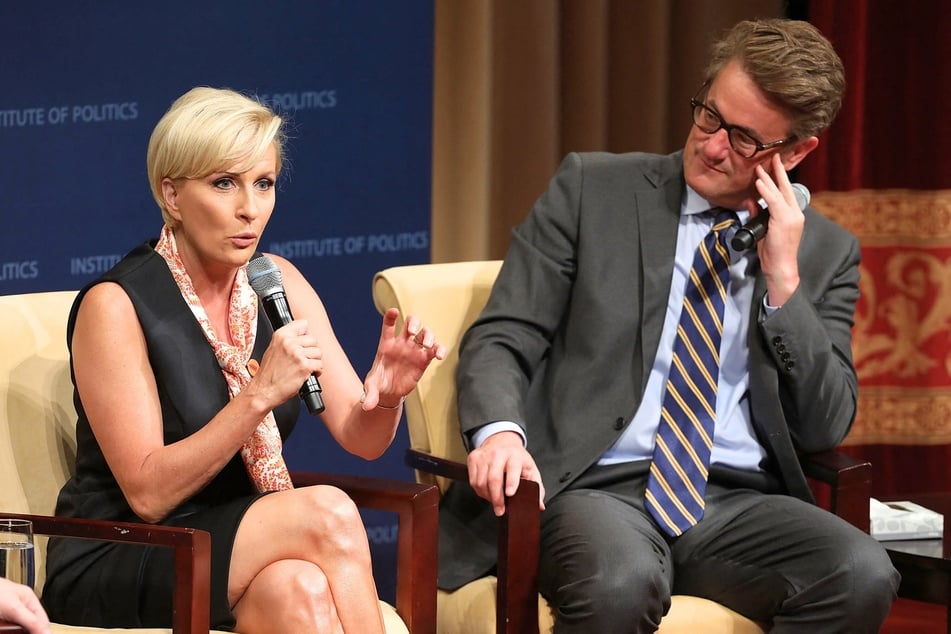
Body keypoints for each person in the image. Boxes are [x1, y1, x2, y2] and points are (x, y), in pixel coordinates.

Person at [442, 18, 899, 633]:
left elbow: (824, 423)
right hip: (595, 490)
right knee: (620, 581)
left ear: (794, 153)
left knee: (859, 572)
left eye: (744, 140)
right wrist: (500, 432)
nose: (712, 146)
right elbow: (505, 333)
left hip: (734, 503)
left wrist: (784, 284)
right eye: (710, 116)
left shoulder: (823, 253)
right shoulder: (593, 190)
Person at [41, 86, 446, 633]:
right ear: (173, 195)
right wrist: (259, 397)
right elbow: (149, 494)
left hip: (229, 538)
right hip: (123, 548)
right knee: (326, 512)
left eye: (264, 184)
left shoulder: (278, 285)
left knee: (299, 592)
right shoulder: (115, 306)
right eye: (223, 183)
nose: (249, 209)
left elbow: (364, 438)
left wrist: (390, 394)